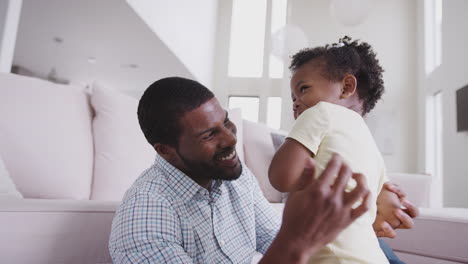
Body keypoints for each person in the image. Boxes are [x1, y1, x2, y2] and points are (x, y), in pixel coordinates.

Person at [108, 77, 417, 263]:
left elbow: (273, 238)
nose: (231, 138)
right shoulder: (144, 215)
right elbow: (288, 244)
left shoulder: (235, 178)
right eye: (209, 135)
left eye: (226, 122)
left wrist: (351, 220)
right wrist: (296, 242)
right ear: (165, 150)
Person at [269, 36, 407, 264]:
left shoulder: (319, 112)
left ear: (346, 87)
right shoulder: (368, 140)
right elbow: (386, 207)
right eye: (292, 98)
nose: (295, 102)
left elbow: (281, 178)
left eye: (303, 89)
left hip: (331, 257)